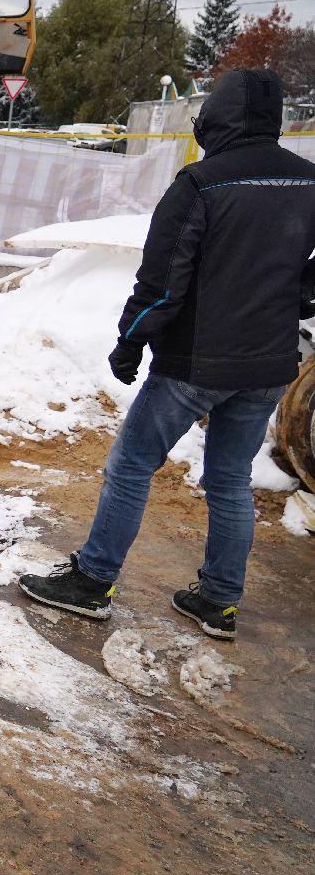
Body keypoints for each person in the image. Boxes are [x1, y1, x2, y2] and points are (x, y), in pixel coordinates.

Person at [20, 68, 315, 641]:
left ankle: (92, 581)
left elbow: (162, 279)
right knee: (229, 480)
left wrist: (132, 337)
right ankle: (219, 602)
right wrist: (299, 297)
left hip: (194, 364)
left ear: (218, 118)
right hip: (268, 365)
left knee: (131, 466)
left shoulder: (201, 184)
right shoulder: (309, 182)